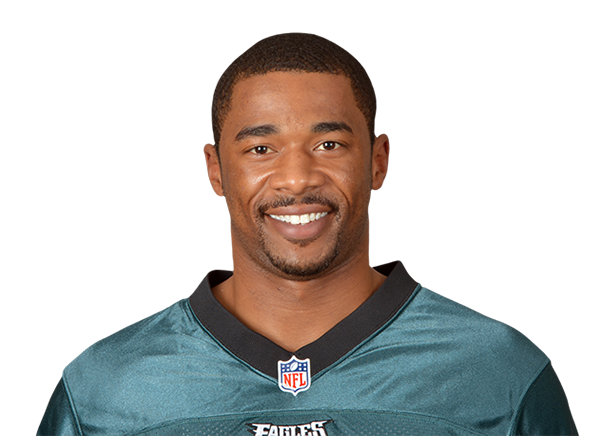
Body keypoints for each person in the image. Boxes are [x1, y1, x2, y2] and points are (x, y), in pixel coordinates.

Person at [38, 33, 576, 436]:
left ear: (379, 161)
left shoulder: (499, 372)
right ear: (216, 172)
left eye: (328, 145)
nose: (296, 178)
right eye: (260, 149)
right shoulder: (104, 389)